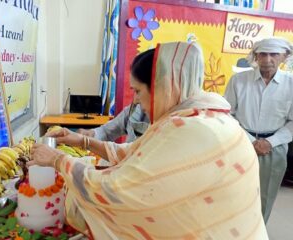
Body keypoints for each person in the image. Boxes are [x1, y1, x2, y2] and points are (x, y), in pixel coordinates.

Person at [29, 42, 268, 239]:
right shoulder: (199, 114)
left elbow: (119, 190)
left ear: (163, 87)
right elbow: (136, 151)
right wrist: (82, 141)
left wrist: (59, 161)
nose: (135, 100)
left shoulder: (191, 128)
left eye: (138, 91)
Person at [224, 37, 293, 223]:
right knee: (233, 190)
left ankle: (256, 231)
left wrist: (270, 142)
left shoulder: (291, 84)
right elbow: (226, 113)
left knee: (265, 195)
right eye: (262, 54)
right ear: (255, 55)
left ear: (284, 57)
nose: (267, 59)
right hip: (240, 141)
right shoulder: (238, 80)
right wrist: (250, 140)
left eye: (274, 54)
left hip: (275, 147)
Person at [77, 103, 150, 143]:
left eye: (138, 91)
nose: (135, 99)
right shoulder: (133, 109)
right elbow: (107, 131)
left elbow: (129, 150)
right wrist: (92, 133)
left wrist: (89, 144)